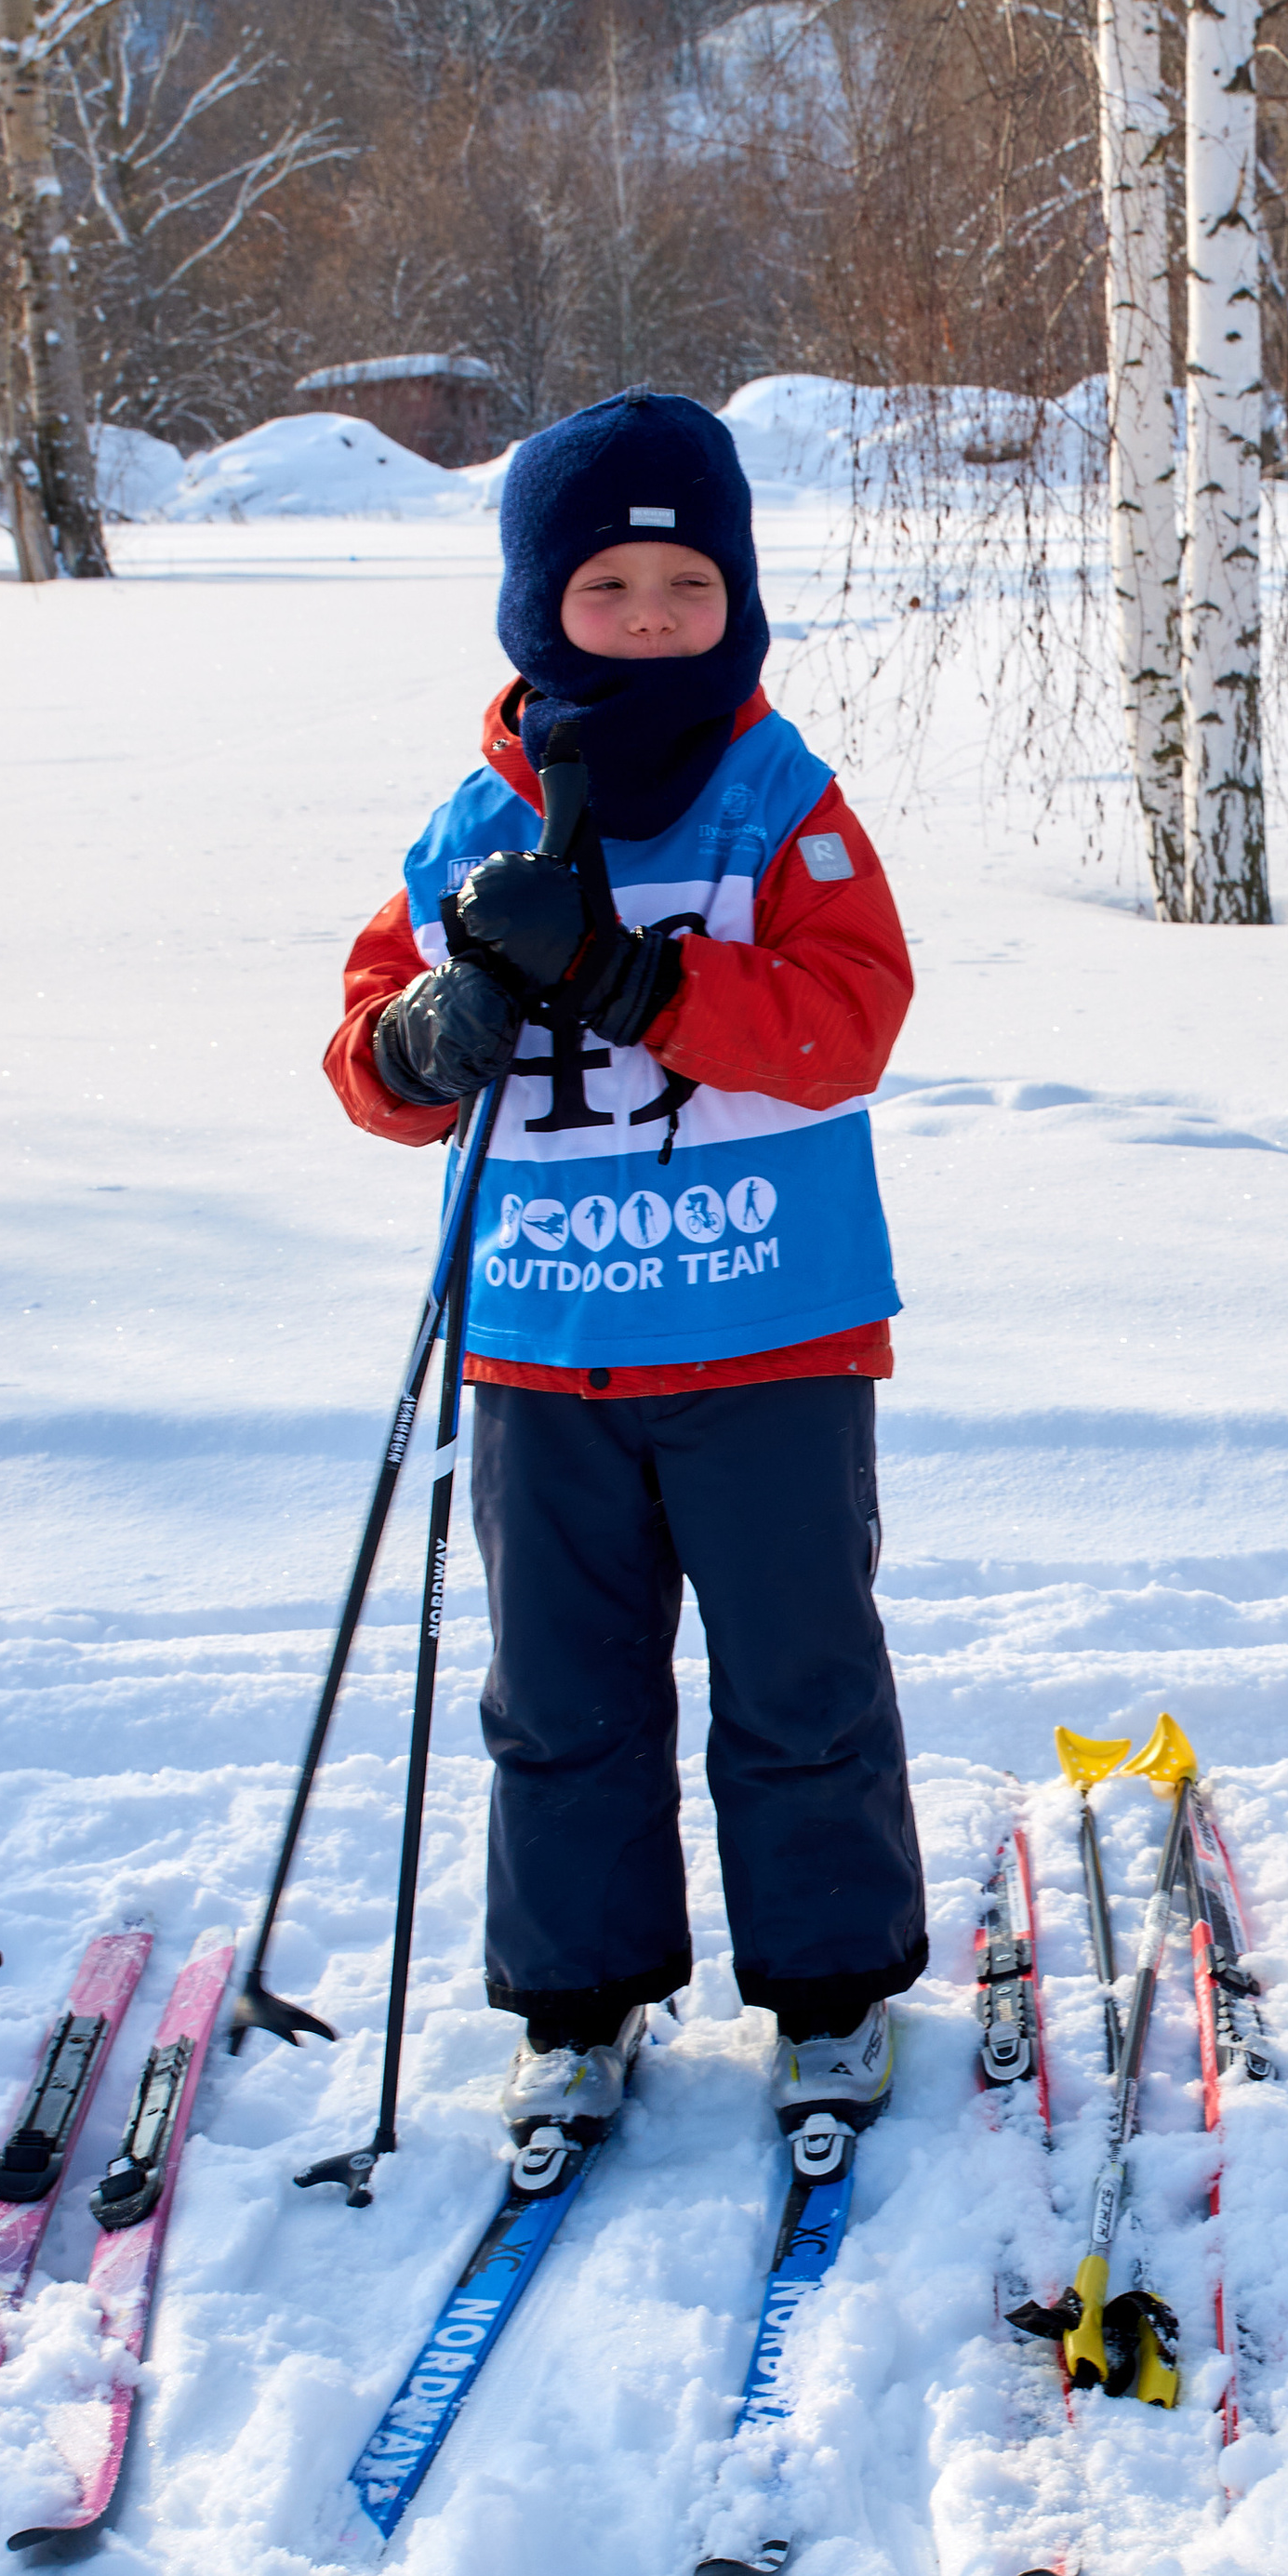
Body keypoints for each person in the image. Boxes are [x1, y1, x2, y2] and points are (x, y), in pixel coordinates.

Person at [325, 390, 925, 2141]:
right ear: (538, 608)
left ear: (736, 598)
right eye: (609, 591)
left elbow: (848, 1023)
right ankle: (578, 2002)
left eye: (687, 588)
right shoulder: (468, 826)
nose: (653, 623)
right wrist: (428, 1040)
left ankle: (827, 1986)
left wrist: (641, 983)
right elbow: (367, 1057)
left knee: (802, 1678)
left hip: (771, 1336)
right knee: (561, 1697)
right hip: (542, 1343)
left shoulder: (780, 796)